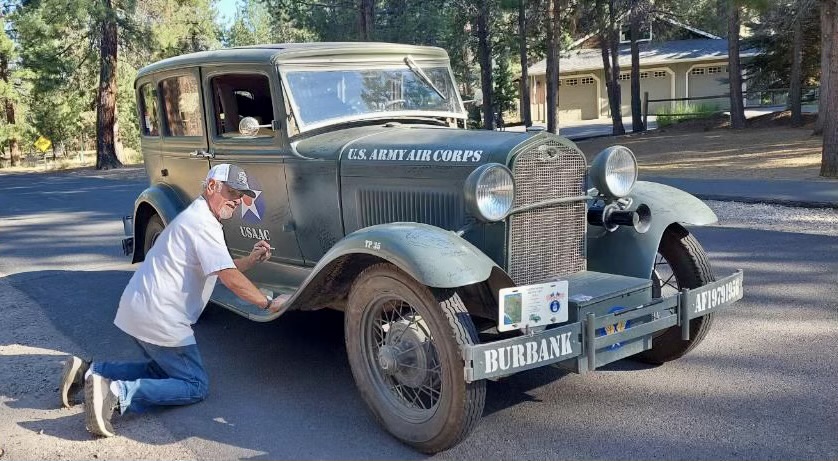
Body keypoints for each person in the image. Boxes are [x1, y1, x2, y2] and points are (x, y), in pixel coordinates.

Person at [58, 164, 290, 437]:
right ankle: (114, 394)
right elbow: (228, 277)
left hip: (142, 306)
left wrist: (250, 261)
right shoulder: (203, 224)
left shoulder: (199, 218)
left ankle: (89, 373)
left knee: (163, 371)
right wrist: (267, 303)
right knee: (194, 385)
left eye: (240, 196)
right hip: (161, 315)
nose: (236, 200)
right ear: (212, 186)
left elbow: (218, 267)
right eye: (231, 192)